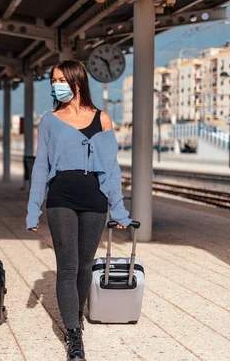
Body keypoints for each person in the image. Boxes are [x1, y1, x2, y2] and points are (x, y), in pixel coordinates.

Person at [26, 60, 132, 361]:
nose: (55, 84)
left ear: (76, 82)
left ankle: (76, 318)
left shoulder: (103, 119)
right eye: (52, 79)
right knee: (68, 266)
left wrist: (119, 210)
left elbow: (111, 169)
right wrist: (34, 209)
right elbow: (41, 167)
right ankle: (73, 334)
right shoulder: (49, 120)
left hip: (94, 199)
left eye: (60, 79)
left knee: (85, 265)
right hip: (61, 195)